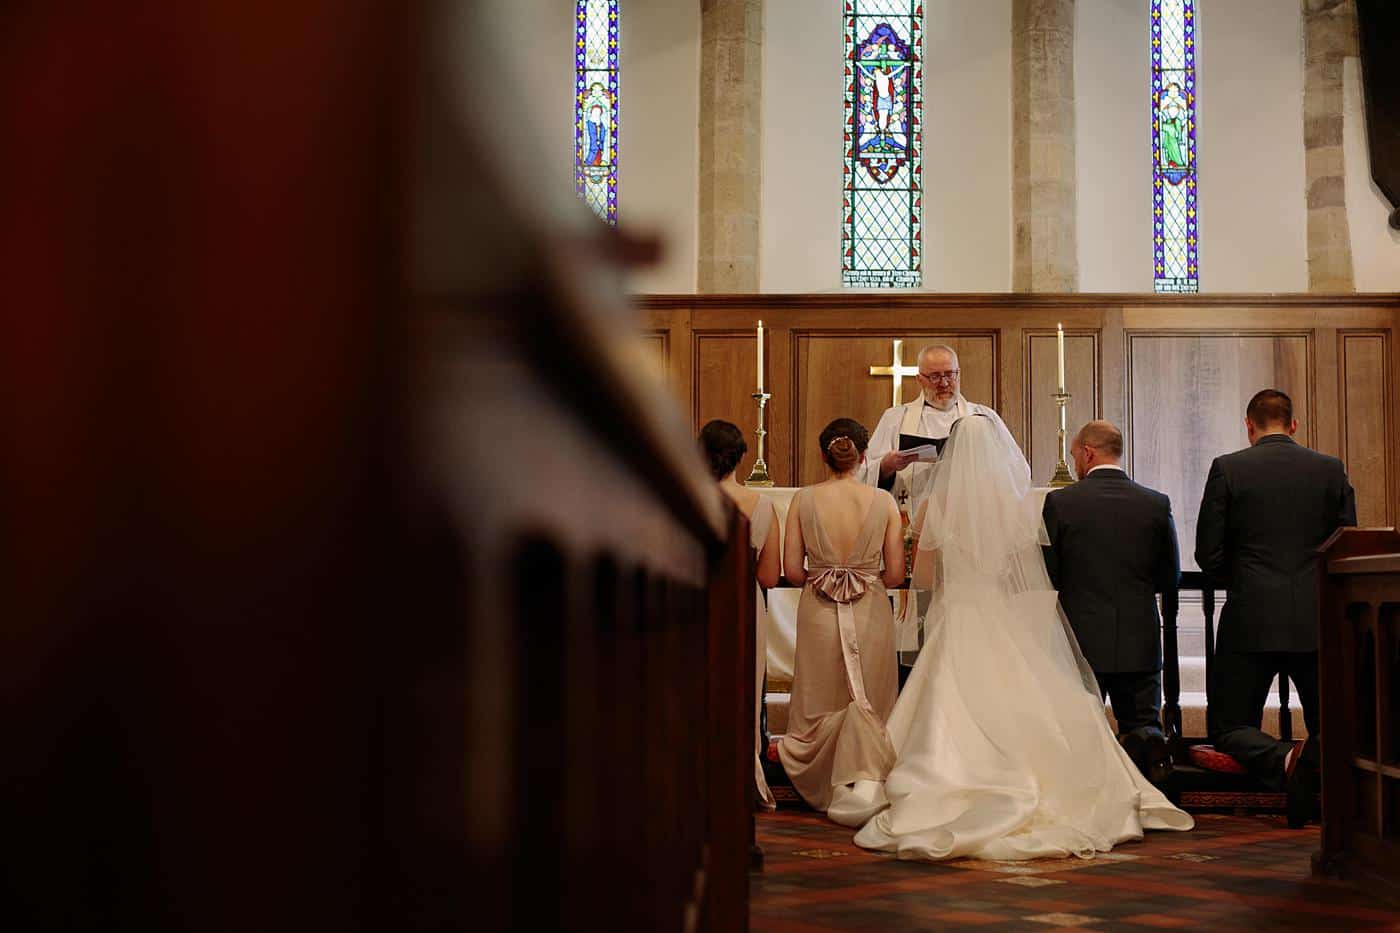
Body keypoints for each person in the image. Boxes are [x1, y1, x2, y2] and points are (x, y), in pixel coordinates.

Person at [830, 415, 1193, 860]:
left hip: (958, 615)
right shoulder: (1018, 505)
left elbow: (923, 578)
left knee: (947, 701)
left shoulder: (934, 505)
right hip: (1002, 618)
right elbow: (1029, 572)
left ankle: (952, 777)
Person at [1195, 389, 1356, 827]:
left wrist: (1246, 582)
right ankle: (1306, 764)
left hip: (1250, 617)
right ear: (1294, 424)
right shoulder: (1329, 469)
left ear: (1249, 426)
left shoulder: (1229, 468)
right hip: (1315, 617)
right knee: (1337, 724)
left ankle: (1284, 757)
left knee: (1228, 727)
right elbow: (1347, 544)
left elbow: (1207, 554)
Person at [1042, 420, 1180, 786]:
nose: (1074, 464)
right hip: (1140, 635)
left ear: (1088, 452)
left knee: (1080, 727)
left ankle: (1092, 798)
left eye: (1075, 455)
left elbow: (1047, 576)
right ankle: (1152, 795)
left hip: (1082, 638)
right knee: (1144, 726)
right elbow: (1170, 578)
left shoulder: (1061, 503)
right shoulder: (1155, 503)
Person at [778, 418, 904, 813]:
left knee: (820, 692)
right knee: (870, 692)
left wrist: (826, 575)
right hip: (870, 606)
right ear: (865, 457)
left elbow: (794, 571)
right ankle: (865, 779)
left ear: (823, 456)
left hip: (818, 607)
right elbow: (897, 573)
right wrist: (866, 577)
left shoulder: (804, 498)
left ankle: (822, 780)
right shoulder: (883, 502)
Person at [699, 419, 780, 810]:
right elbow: (768, 574)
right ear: (741, 458)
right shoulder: (761, 505)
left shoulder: (687, 500)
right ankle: (740, 774)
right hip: (745, 605)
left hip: (695, 603)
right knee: (744, 688)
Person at [859, 345, 1013, 520]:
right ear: (919, 379)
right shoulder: (895, 419)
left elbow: (1011, 471)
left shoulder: (983, 418)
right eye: (935, 376)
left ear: (959, 374)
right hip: (912, 521)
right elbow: (864, 475)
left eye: (949, 374)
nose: (944, 383)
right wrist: (887, 466)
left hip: (969, 521)